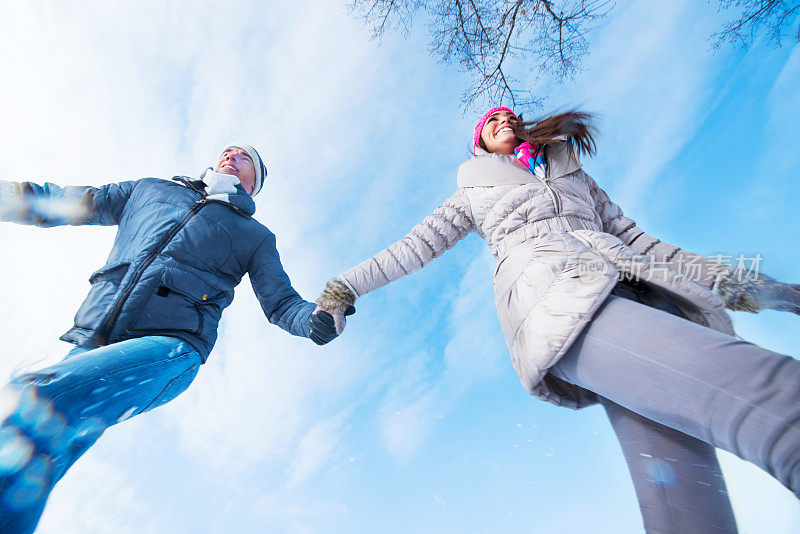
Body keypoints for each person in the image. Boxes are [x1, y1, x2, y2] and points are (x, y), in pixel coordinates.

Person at [315, 107, 800, 533]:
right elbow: (413, 248)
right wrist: (343, 288)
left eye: (510, 117)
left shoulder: (574, 176)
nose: (504, 122)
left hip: (640, 292)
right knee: (776, 399)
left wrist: (764, 291)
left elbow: (650, 246)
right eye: (491, 122)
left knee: (688, 506)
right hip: (560, 303)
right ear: (479, 141)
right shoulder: (473, 191)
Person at [0, 144, 347, 533]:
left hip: (169, 347)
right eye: (227, 150)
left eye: (245, 157)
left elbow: (282, 303)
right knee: (34, 456)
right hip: (92, 340)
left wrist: (315, 319)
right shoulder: (150, 190)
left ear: (255, 183)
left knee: (32, 402)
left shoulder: (254, 236)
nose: (231, 156)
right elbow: (69, 201)